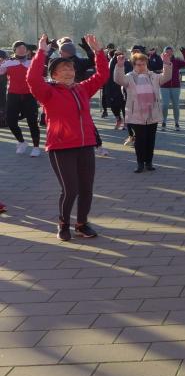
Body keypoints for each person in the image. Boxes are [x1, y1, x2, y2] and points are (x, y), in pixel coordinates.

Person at [27, 33, 108, 241]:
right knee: (71, 189)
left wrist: (98, 52)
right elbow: (32, 79)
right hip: (61, 147)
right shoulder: (48, 92)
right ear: (54, 74)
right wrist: (41, 52)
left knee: (86, 189)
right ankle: (64, 223)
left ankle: (81, 224)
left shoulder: (82, 89)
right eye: (63, 69)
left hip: (86, 144)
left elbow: (102, 75)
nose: (68, 71)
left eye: (70, 68)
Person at [114, 51, 173, 173]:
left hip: (152, 113)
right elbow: (118, 79)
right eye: (138, 64)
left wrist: (167, 63)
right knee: (140, 140)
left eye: (143, 64)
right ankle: (140, 163)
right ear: (134, 65)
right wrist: (119, 66)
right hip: (136, 114)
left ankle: (149, 162)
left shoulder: (154, 76)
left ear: (147, 64)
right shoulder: (129, 77)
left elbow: (167, 77)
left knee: (150, 139)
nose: (141, 66)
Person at [0, 41, 41, 157]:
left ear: (27, 50)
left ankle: (36, 147)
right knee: (10, 121)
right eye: (19, 48)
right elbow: (1, 72)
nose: (22, 50)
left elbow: (40, 74)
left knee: (32, 122)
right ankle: (22, 142)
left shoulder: (32, 62)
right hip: (13, 95)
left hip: (29, 95)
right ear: (15, 50)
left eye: (24, 48)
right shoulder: (8, 62)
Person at [156, 46, 185, 131]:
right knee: (165, 105)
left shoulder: (176, 61)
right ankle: (164, 122)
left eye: (170, 51)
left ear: (172, 52)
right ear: (164, 53)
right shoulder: (161, 61)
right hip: (164, 86)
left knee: (176, 105)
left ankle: (176, 123)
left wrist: (184, 53)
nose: (169, 53)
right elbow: (153, 67)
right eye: (167, 51)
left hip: (175, 86)